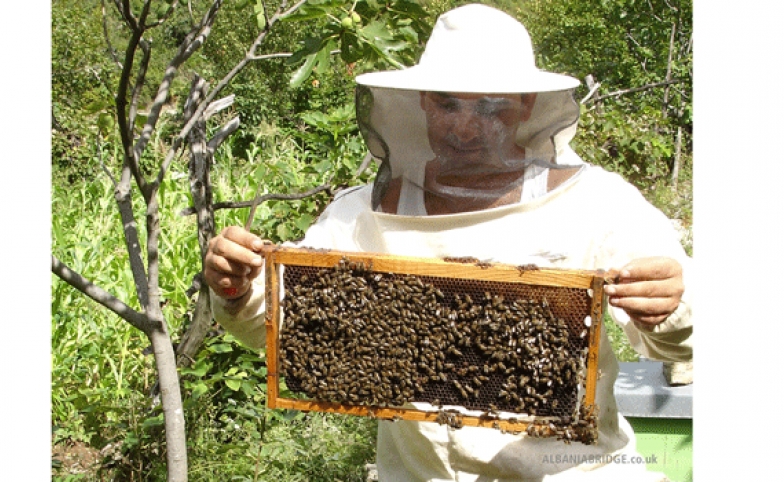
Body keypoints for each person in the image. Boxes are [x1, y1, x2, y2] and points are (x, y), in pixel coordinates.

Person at [203, 4, 692, 481]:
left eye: (491, 109)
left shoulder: (598, 201)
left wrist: (673, 303)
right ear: (421, 102)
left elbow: (688, 341)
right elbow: (286, 330)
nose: (465, 127)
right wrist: (237, 288)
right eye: (447, 104)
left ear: (525, 105)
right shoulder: (363, 211)